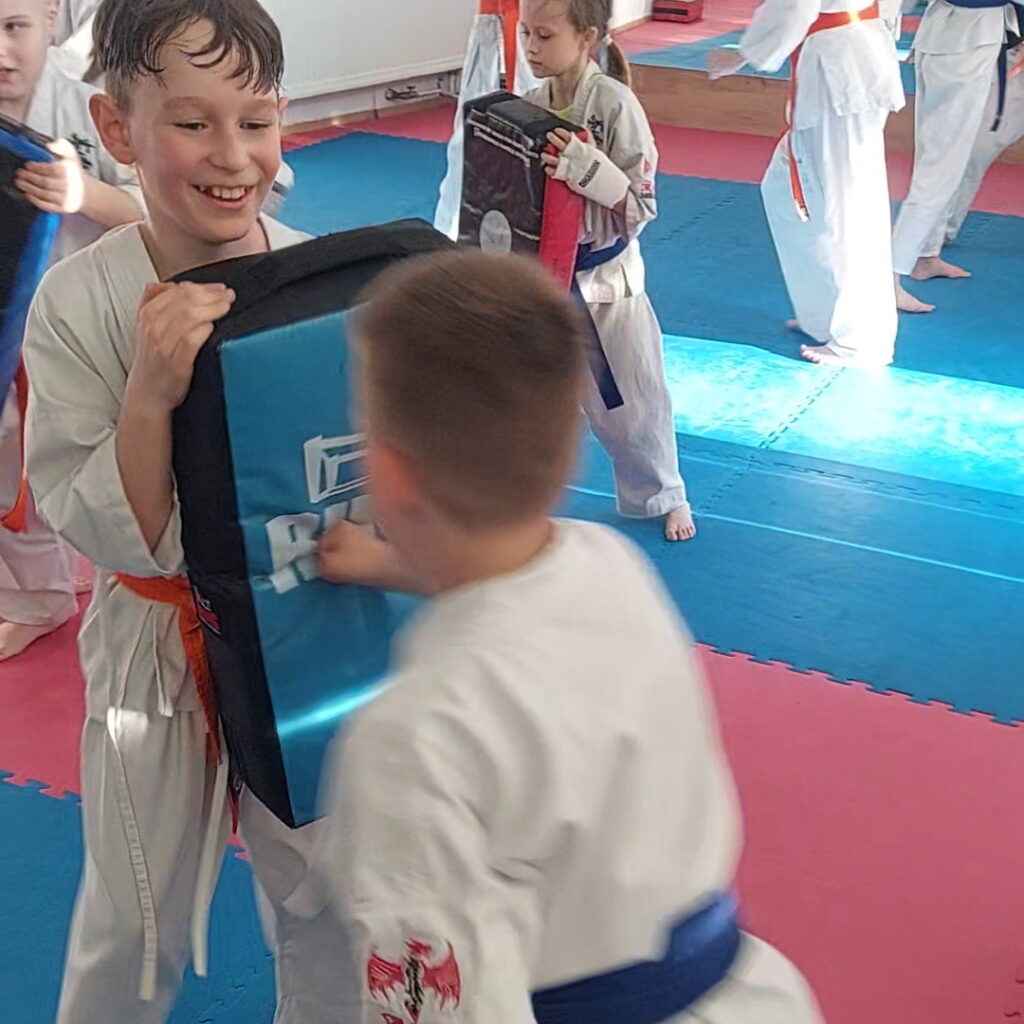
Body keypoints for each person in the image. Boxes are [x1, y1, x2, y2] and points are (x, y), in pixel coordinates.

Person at [314, 249, 822, 1023]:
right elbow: (517, 609)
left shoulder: (407, 739)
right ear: (570, 445)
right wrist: (385, 564)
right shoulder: (609, 565)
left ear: (387, 470)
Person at [23, 1, 354, 1021]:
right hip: (155, 648)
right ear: (116, 127)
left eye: (255, 122)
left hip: (303, 627)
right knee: (137, 917)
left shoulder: (318, 281)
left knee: (329, 896)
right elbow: (98, 522)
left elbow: (359, 473)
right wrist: (151, 390)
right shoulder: (77, 302)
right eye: (193, 122)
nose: (233, 155)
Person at [519, 0, 696, 542]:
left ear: (587, 37)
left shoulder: (615, 104)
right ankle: (517, 502)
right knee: (529, 399)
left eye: (545, 35)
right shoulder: (529, 104)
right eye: (526, 34)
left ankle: (666, 495)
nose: (531, 48)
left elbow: (642, 207)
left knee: (633, 403)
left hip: (606, 284)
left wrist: (587, 168)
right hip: (543, 280)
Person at [0, 0, 141, 660]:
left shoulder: (92, 108)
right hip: (12, 325)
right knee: (12, 464)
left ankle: (110, 573)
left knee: (98, 460)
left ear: (51, 17)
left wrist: (84, 193)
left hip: (90, 324)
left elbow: (155, 207)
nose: (0, 51)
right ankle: (39, 596)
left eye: (14, 27)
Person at [710, 0, 905, 366]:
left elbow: (796, 7)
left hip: (841, 69)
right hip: (848, 56)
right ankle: (824, 315)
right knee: (784, 191)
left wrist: (743, 54)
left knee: (849, 207)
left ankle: (862, 340)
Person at [890, 0, 1014, 312]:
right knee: (939, 170)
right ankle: (889, 277)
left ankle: (926, 254)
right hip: (969, 42)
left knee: (936, 159)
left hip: (941, 34)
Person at [941, 42, 1024, 247]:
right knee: (973, 158)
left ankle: (941, 229)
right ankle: (942, 229)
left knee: (973, 159)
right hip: (1007, 68)